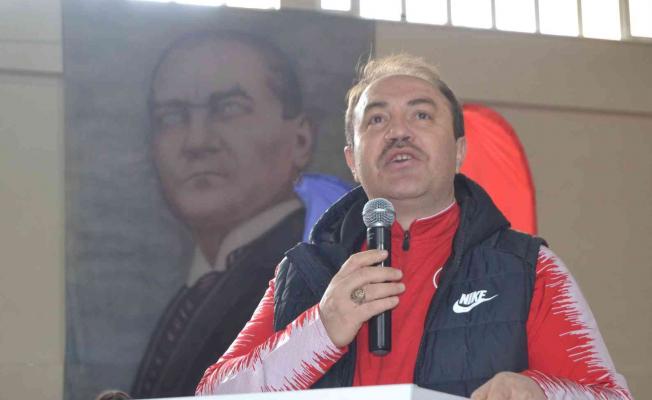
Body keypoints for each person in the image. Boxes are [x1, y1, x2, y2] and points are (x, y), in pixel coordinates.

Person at [195, 54, 632, 399]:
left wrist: (539, 392)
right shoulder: (303, 273)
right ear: (352, 160)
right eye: (377, 119)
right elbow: (212, 394)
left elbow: (609, 396)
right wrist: (321, 328)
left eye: (421, 115)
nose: (398, 132)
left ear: (459, 151)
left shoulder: (529, 268)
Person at [130, 30, 349, 398]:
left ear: (301, 139)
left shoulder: (313, 275)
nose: (197, 142)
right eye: (172, 116)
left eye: (229, 108)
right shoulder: (198, 288)